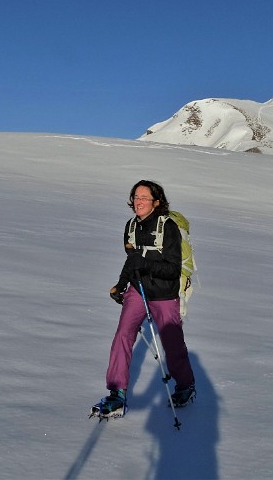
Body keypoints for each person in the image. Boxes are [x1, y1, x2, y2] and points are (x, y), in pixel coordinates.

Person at [92, 180, 196, 419]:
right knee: (123, 335)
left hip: (164, 294)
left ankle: (185, 384)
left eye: (144, 198)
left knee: (172, 342)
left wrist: (144, 263)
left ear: (156, 202)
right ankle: (117, 392)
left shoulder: (167, 227)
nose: (138, 201)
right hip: (137, 291)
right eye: (135, 197)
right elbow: (132, 261)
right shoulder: (131, 226)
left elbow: (172, 269)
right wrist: (120, 285)